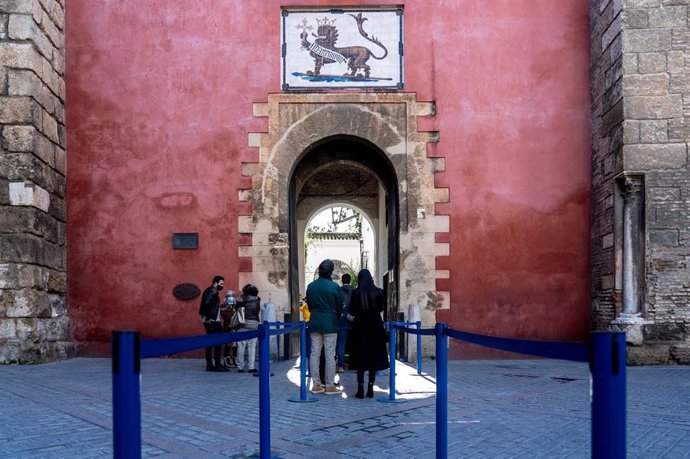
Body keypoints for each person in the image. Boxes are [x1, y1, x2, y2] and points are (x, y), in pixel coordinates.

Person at [348, 269, 389, 398]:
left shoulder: (355, 293)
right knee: (373, 357)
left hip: (360, 326)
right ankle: (370, 387)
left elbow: (352, 311)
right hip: (375, 325)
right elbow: (381, 308)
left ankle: (360, 388)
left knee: (360, 357)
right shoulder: (379, 292)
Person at [305, 259, 343, 395]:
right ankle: (329, 385)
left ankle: (316, 384)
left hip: (315, 322)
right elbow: (339, 307)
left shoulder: (311, 286)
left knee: (314, 354)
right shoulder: (334, 287)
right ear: (331, 272)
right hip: (330, 323)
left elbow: (309, 305)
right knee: (329, 355)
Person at [199, 276, 229, 372]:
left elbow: (208, 305)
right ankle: (217, 365)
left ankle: (209, 365)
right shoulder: (213, 291)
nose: (222, 285)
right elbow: (207, 303)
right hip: (213, 321)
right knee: (218, 343)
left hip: (210, 320)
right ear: (215, 283)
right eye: (221, 283)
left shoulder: (209, 290)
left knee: (209, 343)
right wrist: (208, 318)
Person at [235, 284, 261, 373]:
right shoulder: (257, 300)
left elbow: (236, 310)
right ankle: (251, 367)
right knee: (252, 346)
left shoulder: (241, 299)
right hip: (254, 324)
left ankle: (240, 367)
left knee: (241, 346)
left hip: (242, 323)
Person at [336, 273, 354, 373]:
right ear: (350, 280)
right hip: (353, 321)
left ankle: (341, 364)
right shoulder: (355, 291)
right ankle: (353, 363)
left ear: (342, 281)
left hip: (341, 320)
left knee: (341, 343)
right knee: (354, 343)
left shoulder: (338, 291)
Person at [220, 290, 238, 368]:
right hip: (228, 328)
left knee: (235, 345)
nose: (231, 298)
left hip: (235, 329)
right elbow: (225, 316)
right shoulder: (223, 306)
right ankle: (226, 359)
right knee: (228, 345)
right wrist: (230, 308)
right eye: (229, 296)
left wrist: (235, 307)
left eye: (232, 296)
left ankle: (235, 359)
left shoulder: (236, 306)